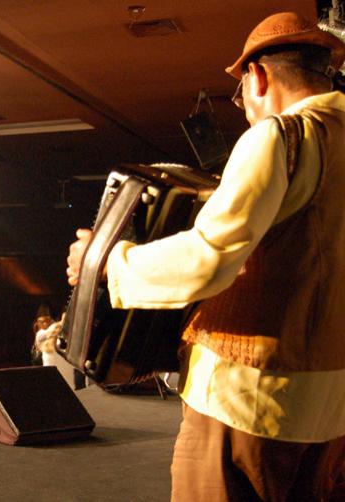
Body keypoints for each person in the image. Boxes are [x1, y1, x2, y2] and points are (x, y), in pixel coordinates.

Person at [66, 11, 345, 500]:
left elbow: (211, 257)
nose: (245, 109)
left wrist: (108, 262)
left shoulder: (280, 136)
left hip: (248, 403)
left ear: (256, 76)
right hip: (333, 411)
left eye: (241, 94)